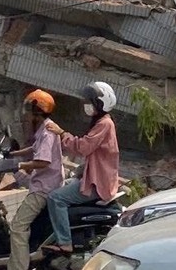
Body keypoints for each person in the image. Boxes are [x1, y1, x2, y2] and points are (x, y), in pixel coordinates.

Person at [43, 81, 121, 254]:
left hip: (97, 184)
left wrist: (61, 133)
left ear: (100, 103)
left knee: (56, 198)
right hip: (96, 179)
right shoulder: (102, 122)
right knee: (63, 185)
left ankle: (64, 242)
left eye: (89, 101)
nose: (86, 105)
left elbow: (83, 147)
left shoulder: (105, 124)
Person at [6, 90, 64, 270]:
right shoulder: (46, 127)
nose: (26, 115)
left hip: (43, 188)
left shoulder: (47, 132)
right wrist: (13, 154)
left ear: (37, 112)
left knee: (17, 227)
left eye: (29, 111)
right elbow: (34, 148)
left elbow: (43, 161)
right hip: (46, 183)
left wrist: (19, 165)